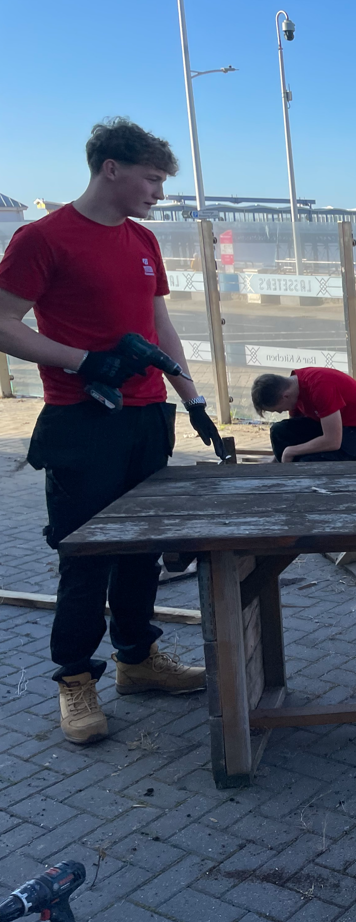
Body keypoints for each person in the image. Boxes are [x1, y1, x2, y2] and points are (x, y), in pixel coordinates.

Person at [0, 118, 220, 744]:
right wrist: (82, 361)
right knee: (86, 553)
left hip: (149, 417)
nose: (158, 191)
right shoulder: (41, 239)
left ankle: (138, 660)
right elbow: (3, 321)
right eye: (151, 179)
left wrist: (191, 394)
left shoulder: (144, 241)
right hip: (83, 421)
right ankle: (75, 682)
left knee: (143, 548)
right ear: (110, 168)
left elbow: (158, 325)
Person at [250, 367, 356, 462]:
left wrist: (290, 452)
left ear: (285, 396)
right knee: (278, 431)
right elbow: (293, 433)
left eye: (277, 409)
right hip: (334, 428)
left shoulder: (320, 387)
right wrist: (277, 458)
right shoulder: (293, 391)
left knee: (307, 464)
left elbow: (333, 441)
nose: (280, 412)